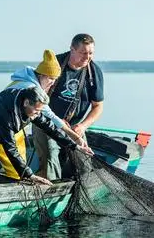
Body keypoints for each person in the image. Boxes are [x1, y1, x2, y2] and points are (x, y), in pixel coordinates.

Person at [33, 33, 104, 180]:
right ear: (72, 49)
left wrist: (83, 126)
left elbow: (98, 106)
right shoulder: (54, 65)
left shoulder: (94, 72)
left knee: (84, 161)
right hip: (46, 120)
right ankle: (49, 191)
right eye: (83, 53)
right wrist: (56, 120)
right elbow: (36, 96)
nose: (87, 57)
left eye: (91, 53)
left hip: (74, 127)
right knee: (51, 157)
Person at [7, 49, 93, 154]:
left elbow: (48, 121)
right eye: (50, 78)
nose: (52, 83)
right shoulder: (31, 90)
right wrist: (75, 137)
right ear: (41, 75)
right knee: (14, 167)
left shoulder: (27, 80)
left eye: (55, 80)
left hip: (15, 126)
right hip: (6, 128)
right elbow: (51, 116)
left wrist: (75, 141)